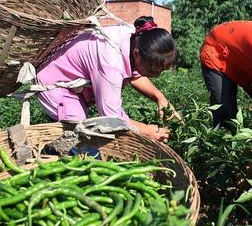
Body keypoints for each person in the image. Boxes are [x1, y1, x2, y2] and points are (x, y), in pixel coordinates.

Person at [36, 16, 177, 142]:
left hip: (76, 84)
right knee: (80, 139)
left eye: (161, 71)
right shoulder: (111, 62)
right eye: (153, 70)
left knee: (87, 139)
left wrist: (160, 97)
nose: (157, 76)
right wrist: (147, 130)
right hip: (56, 85)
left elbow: (136, 74)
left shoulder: (136, 39)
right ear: (136, 54)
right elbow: (111, 118)